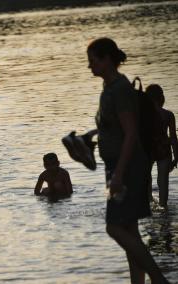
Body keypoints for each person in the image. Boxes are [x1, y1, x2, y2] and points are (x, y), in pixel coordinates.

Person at [87, 37, 169, 283]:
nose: (89, 66)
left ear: (107, 60)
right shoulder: (111, 88)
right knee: (129, 230)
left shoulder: (120, 89)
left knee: (114, 227)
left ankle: (158, 279)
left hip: (127, 167)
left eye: (93, 61)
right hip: (120, 166)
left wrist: (119, 175)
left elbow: (131, 132)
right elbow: (117, 129)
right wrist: (88, 138)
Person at [146, 84, 178, 208]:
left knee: (147, 179)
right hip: (164, 149)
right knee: (163, 181)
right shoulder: (168, 115)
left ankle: (149, 202)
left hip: (148, 150)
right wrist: (176, 157)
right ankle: (163, 207)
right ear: (162, 98)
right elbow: (174, 138)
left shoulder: (143, 115)